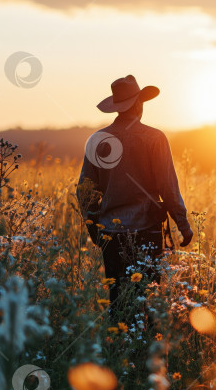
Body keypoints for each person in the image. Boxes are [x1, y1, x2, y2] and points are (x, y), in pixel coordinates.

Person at [76, 75, 193, 318]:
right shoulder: (154, 138)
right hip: (146, 232)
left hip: (110, 233)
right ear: (139, 104)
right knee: (146, 303)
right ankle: (142, 352)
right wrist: (183, 224)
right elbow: (168, 187)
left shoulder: (98, 140)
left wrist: (94, 229)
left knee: (117, 301)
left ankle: (118, 351)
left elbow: (85, 191)